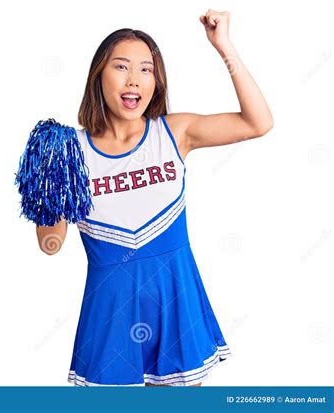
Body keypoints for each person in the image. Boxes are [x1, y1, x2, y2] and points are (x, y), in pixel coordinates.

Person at [36, 9, 273, 386]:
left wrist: (223, 46)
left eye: (146, 69)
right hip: (110, 313)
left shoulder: (175, 132)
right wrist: (48, 181)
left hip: (176, 306)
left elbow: (257, 123)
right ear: (99, 74)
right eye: (121, 67)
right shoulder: (70, 152)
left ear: (156, 80)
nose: (134, 80)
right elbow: (51, 245)